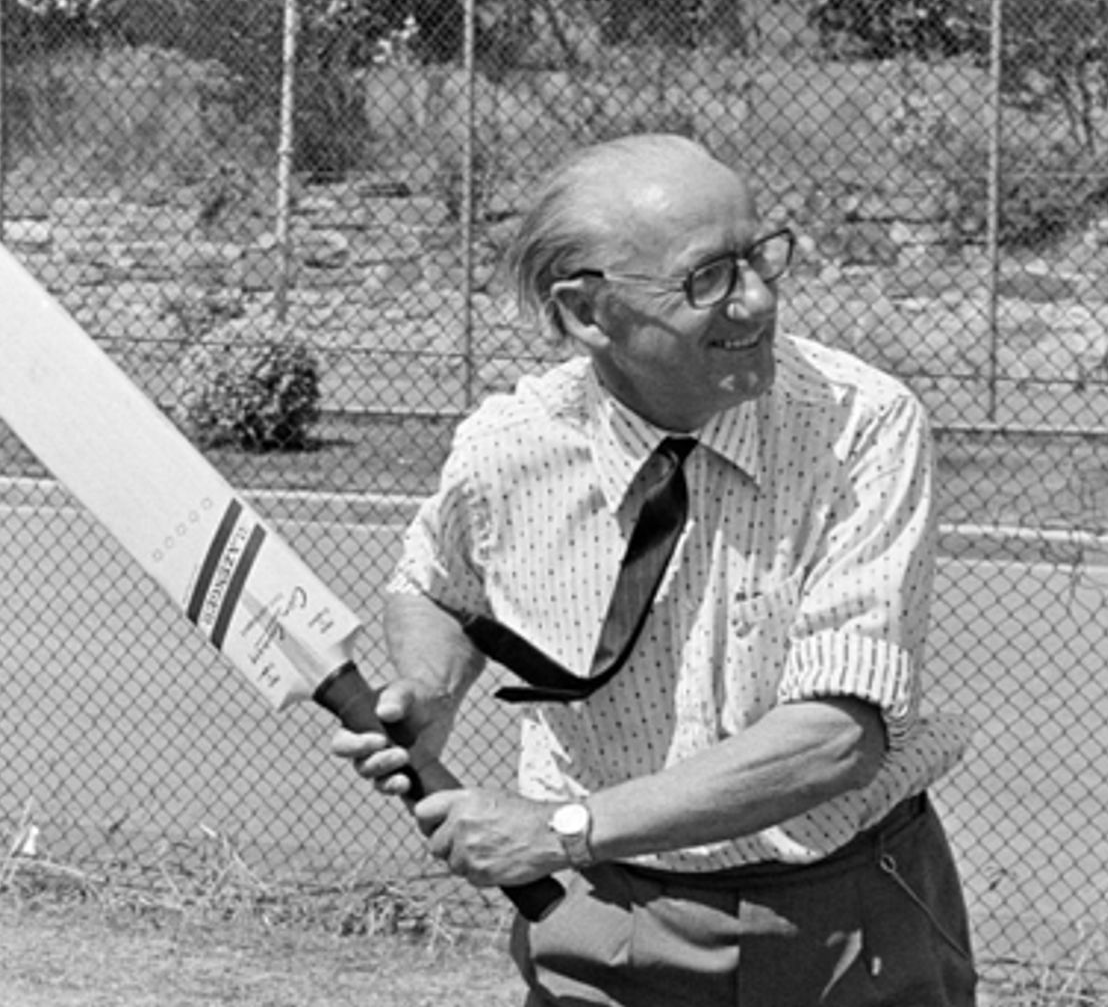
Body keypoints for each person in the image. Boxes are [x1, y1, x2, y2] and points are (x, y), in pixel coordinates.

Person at [332, 133, 977, 1005]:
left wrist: (561, 830)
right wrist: (428, 689)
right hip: (604, 917)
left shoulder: (860, 424)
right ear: (588, 315)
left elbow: (835, 738)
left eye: (760, 257)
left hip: (844, 918)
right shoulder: (508, 448)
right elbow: (435, 586)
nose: (756, 300)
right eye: (707, 277)